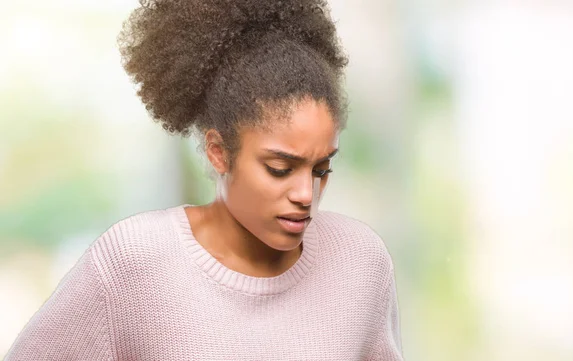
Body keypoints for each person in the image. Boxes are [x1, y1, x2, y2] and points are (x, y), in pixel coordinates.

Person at [5, 0, 404, 359]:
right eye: (280, 169)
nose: (306, 195)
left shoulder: (359, 262)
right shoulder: (133, 264)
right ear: (219, 151)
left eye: (321, 169)